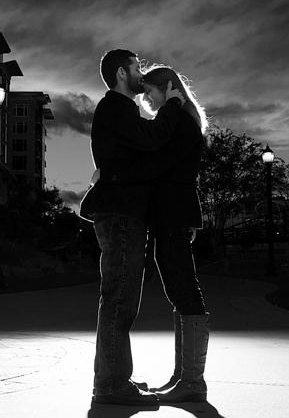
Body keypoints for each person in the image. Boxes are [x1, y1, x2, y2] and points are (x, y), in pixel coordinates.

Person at [98, 64, 210, 404]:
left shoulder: (182, 122)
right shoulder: (178, 120)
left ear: (168, 88)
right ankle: (184, 376)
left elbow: (156, 162)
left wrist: (113, 171)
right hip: (170, 217)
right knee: (179, 291)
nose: (146, 99)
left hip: (173, 217)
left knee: (184, 290)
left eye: (151, 92)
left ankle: (192, 380)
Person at [79, 49, 184, 406]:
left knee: (123, 300)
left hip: (125, 214)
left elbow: (141, 155)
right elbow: (153, 139)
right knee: (120, 299)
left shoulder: (122, 112)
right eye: (137, 68)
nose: (142, 73)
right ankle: (110, 385)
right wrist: (171, 104)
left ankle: (115, 378)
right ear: (122, 74)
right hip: (120, 215)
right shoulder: (114, 108)